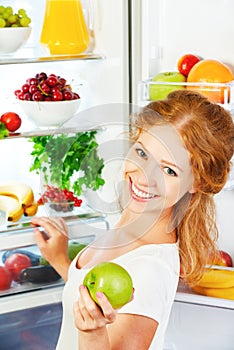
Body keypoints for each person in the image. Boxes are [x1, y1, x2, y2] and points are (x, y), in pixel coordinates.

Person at [32, 90, 234, 350]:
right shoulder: (135, 225)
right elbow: (92, 296)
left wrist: (92, 335)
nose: (144, 176)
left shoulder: (149, 270)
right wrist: (62, 261)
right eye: (142, 153)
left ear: (197, 183)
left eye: (169, 170)